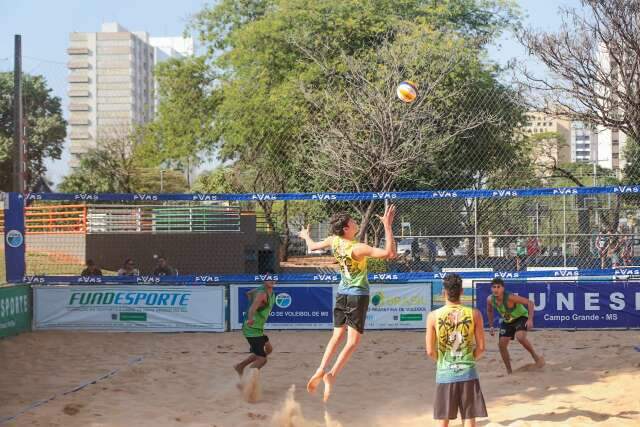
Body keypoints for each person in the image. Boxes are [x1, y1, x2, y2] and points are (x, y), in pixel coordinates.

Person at [299, 204, 397, 402]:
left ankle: (320, 369)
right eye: (352, 222)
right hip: (357, 294)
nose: (356, 223)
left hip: (342, 293)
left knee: (337, 336)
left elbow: (311, 247)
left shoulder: (333, 240)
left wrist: (305, 236)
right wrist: (387, 225)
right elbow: (389, 253)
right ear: (345, 228)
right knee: (352, 342)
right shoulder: (357, 248)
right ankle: (332, 375)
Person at [426, 273, 487, 427]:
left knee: (443, 420)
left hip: (445, 372)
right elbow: (481, 348)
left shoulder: (433, 316)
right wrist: (469, 359)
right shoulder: (474, 314)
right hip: (467, 371)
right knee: (469, 416)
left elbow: (430, 351)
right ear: (462, 292)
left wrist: (442, 361)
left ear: (443, 292)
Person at [486, 278, 544, 374]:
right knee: (501, 345)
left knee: (520, 337)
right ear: (491, 289)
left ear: (503, 289)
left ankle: (535, 356)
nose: (496, 289)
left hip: (521, 317)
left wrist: (530, 319)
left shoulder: (510, 297)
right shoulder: (490, 299)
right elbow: (489, 311)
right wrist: (491, 326)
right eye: (494, 287)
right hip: (508, 321)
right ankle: (509, 371)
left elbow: (530, 303)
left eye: (498, 287)